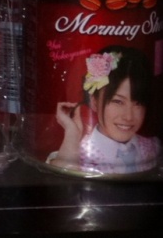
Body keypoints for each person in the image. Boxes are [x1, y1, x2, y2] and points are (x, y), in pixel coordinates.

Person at [49, 46, 161, 175]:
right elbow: (62, 182)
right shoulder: (75, 153)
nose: (128, 117)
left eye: (138, 103)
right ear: (94, 101)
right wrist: (71, 133)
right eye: (118, 101)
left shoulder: (153, 147)